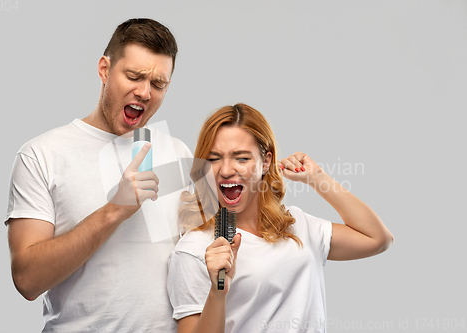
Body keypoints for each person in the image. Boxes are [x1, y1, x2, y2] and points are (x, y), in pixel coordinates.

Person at [5, 18, 192, 332]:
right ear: (105, 69)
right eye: (134, 76)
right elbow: (27, 280)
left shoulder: (179, 153)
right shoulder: (40, 155)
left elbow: (214, 247)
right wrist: (114, 211)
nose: (145, 92)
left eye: (158, 84)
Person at [167, 103, 394, 333]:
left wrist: (317, 177)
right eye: (214, 158)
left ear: (266, 162)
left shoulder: (297, 224)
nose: (226, 170)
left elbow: (377, 239)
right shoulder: (194, 249)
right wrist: (218, 290)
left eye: (242, 158)